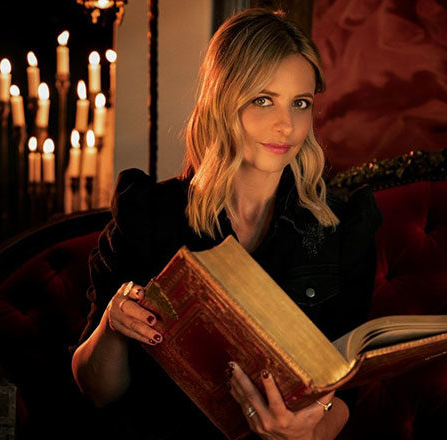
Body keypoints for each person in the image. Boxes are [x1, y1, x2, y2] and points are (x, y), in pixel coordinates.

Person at [72, 8, 381, 440]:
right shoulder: (149, 214)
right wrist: (111, 326)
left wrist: (306, 434)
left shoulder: (342, 227)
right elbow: (97, 391)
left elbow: (347, 392)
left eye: (301, 103)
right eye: (262, 100)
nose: (287, 125)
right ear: (222, 101)